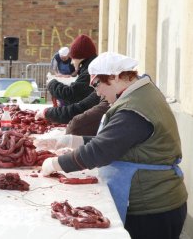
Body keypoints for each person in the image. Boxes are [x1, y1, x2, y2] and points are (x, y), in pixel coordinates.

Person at [35, 52, 187, 239]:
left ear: (115, 77)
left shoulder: (135, 108)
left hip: (153, 208)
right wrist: (73, 141)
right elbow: (117, 141)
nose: (97, 92)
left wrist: (56, 164)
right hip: (153, 201)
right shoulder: (139, 94)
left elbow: (100, 151)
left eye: (97, 84)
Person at [47, 34, 97, 105]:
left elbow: (71, 94)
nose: (71, 62)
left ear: (80, 57)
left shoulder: (89, 72)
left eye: (73, 58)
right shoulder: (89, 69)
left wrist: (52, 83)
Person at [35, 92, 109, 136]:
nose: (97, 93)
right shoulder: (103, 91)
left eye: (95, 83)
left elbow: (77, 112)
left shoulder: (110, 102)